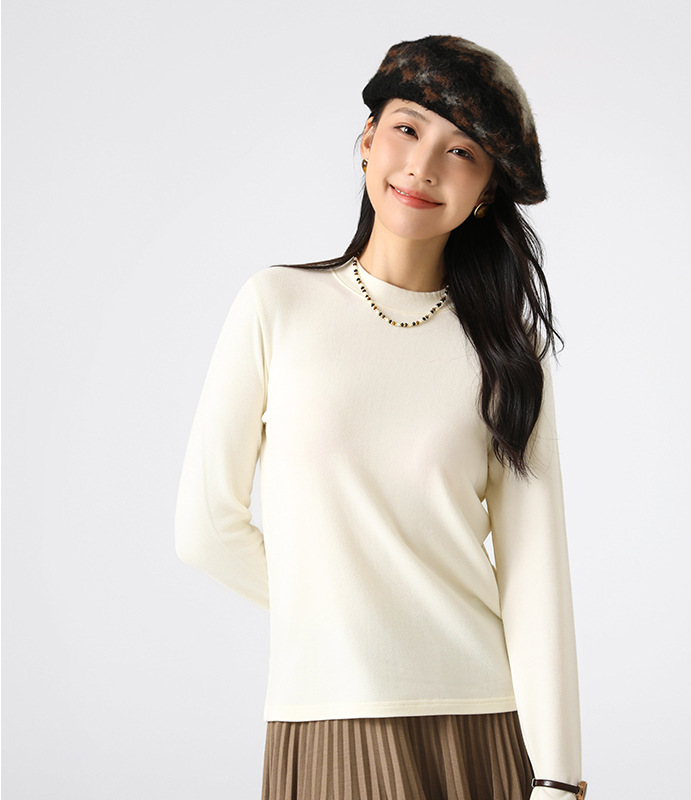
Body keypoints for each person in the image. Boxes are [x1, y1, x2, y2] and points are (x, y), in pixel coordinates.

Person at [175, 34, 587, 800]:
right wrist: (347, 618)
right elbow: (207, 530)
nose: (424, 167)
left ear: (487, 190)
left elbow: (536, 575)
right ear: (366, 139)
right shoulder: (276, 305)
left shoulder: (506, 348)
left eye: (461, 151)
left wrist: (560, 778)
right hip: (327, 715)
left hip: (483, 721)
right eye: (407, 128)